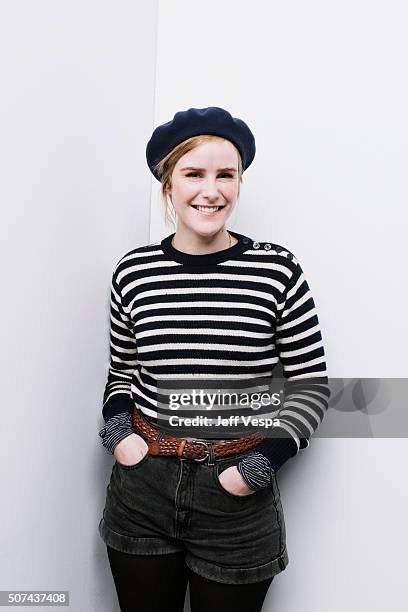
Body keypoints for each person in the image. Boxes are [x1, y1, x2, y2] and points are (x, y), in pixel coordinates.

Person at [98, 107, 331, 612]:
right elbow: (121, 373)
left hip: (236, 497)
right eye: (194, 174)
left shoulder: (276, 269)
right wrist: (120, 437)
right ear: (168, 184)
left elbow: (310, 386)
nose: (212, 190)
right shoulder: (134, 272)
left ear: (240, 182)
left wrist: (259, 466)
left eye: (226, 174)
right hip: (144, 489)